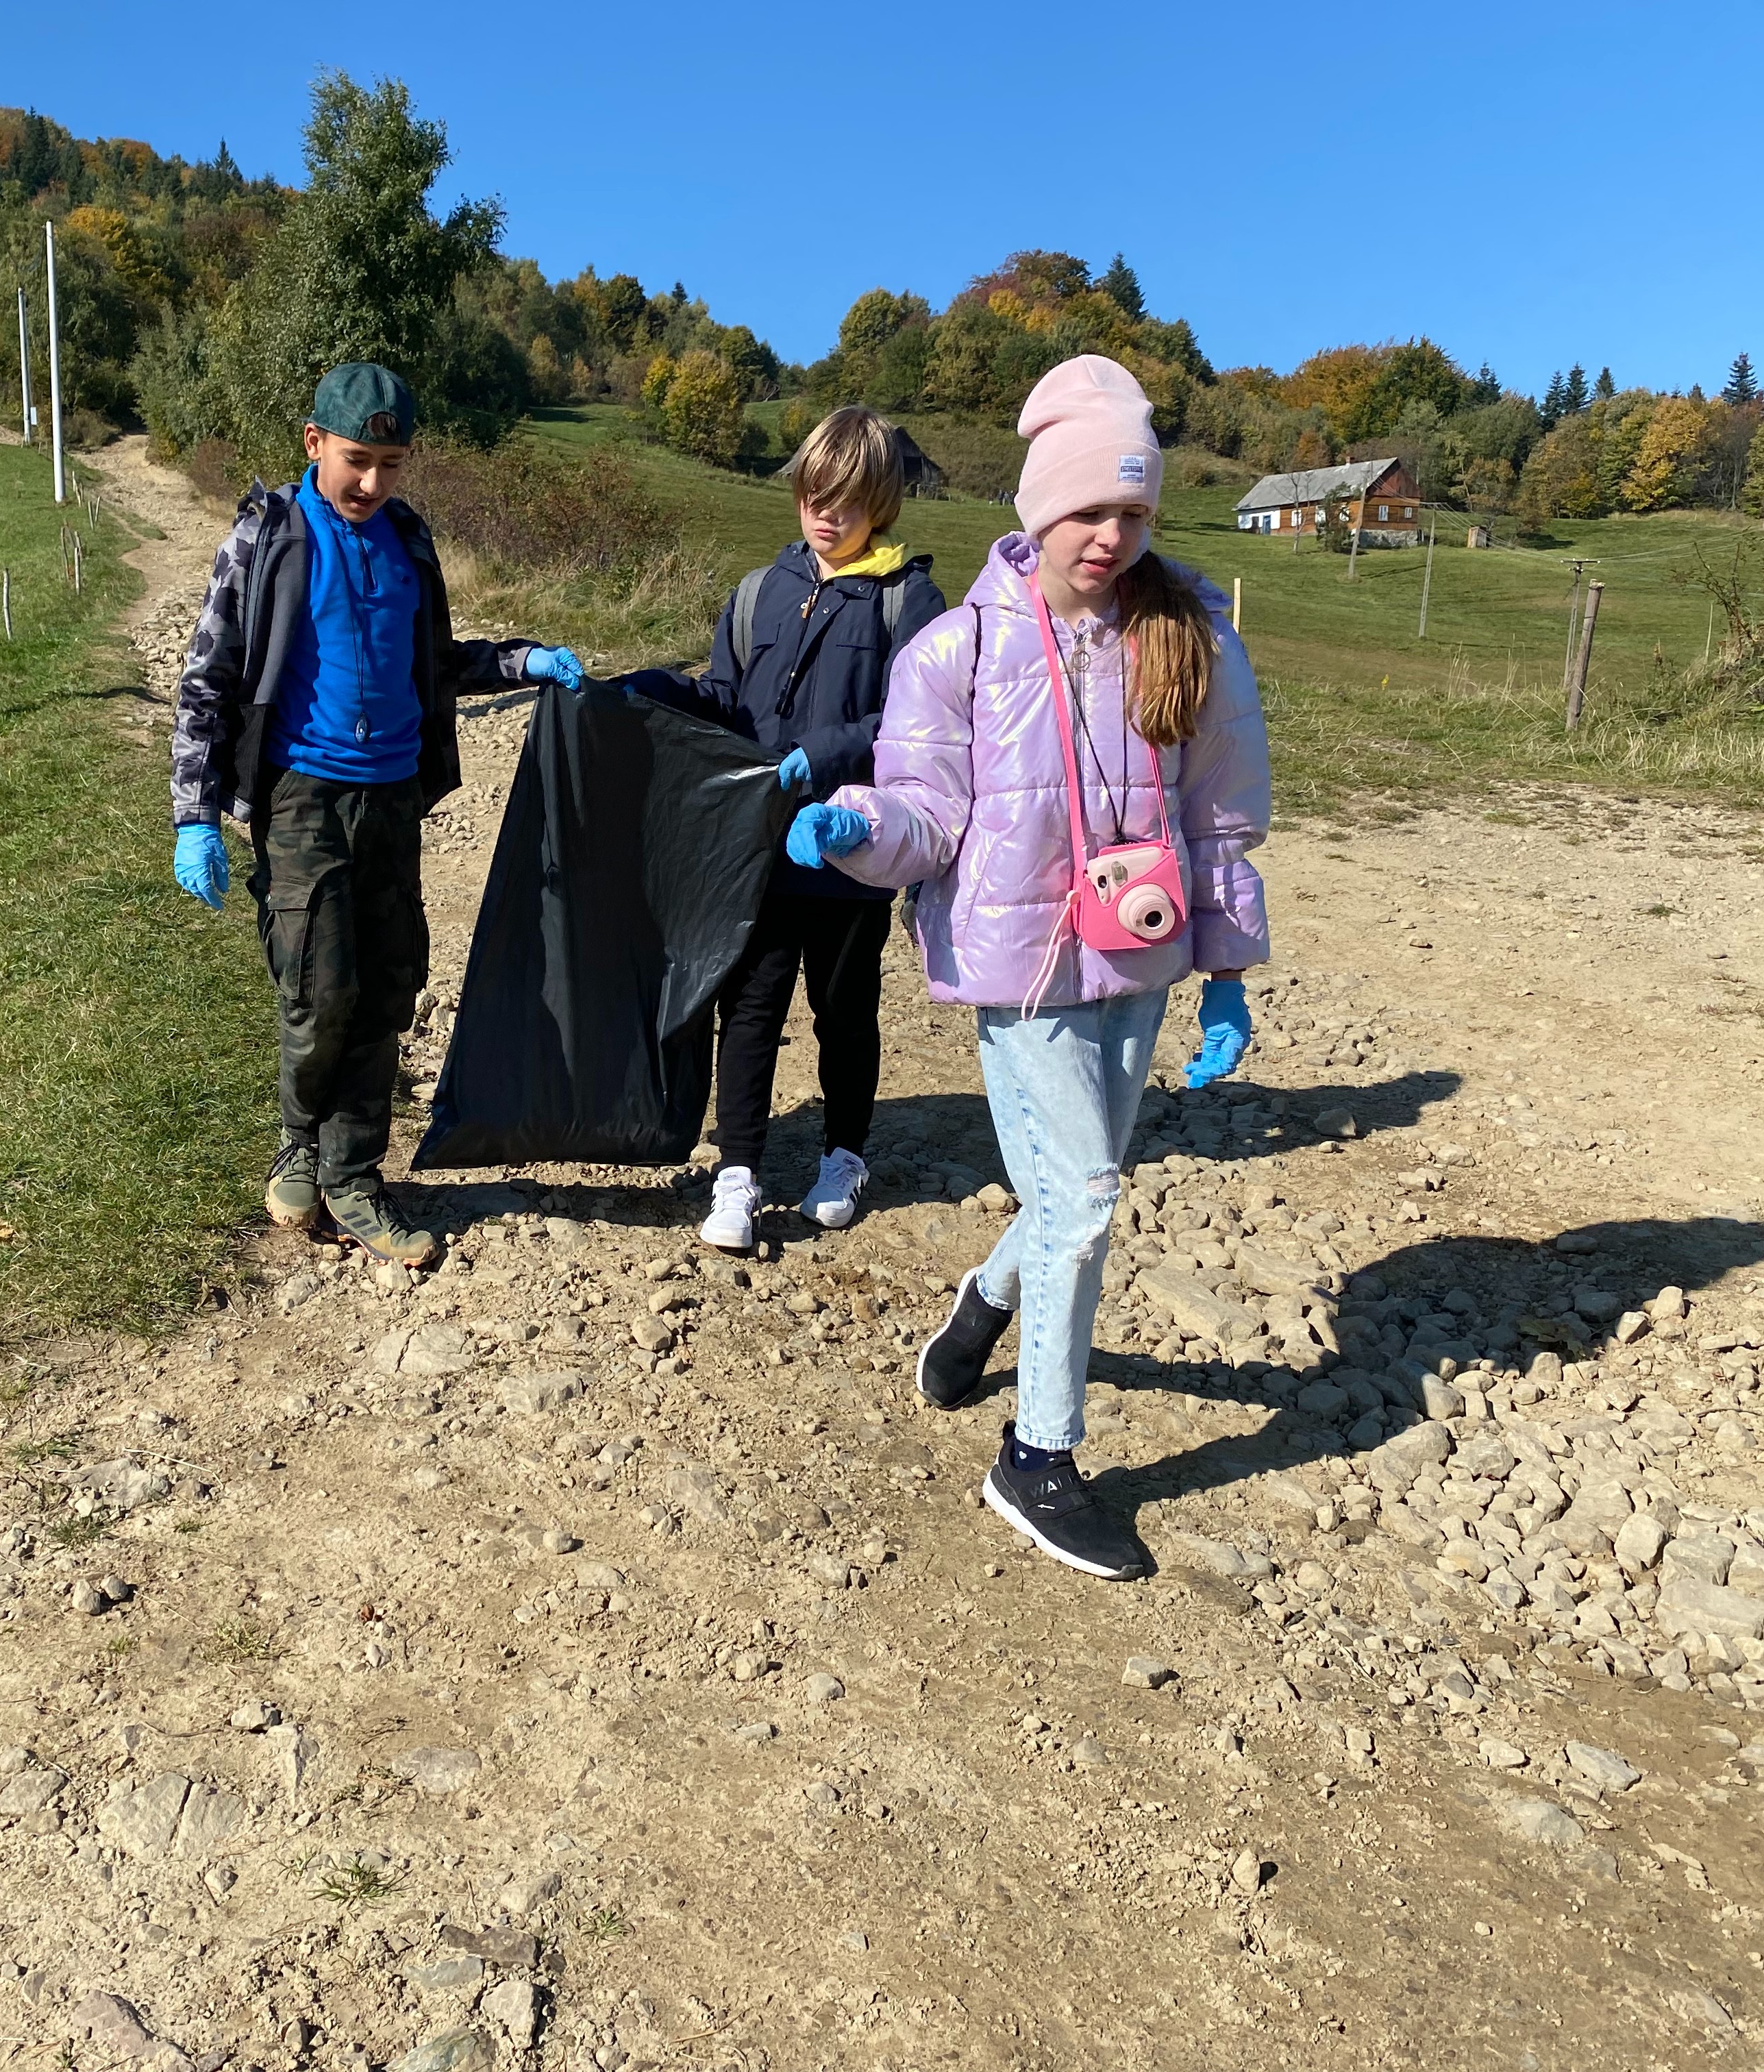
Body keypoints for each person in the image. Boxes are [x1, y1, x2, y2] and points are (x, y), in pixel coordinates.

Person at [789, 355, 1271, 1580]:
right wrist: (858, 827)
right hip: (1018, 965)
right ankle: (1037, 1457)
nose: (1110, 536)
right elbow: (923, 810)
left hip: (1141, 954)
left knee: (1072, 1188)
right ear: (1040, 506)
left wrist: (1224, 967)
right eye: (1088, 510)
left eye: (1132, 512)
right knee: (1088, 1198)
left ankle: (984, 1306)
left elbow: (1219, 816)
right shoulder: (955, 653)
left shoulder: (1189, 639)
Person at [169, 362, 583, 1269]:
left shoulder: (408, 541)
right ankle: (300, 1145)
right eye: (357, 460)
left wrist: (523, 662)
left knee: (387, 990)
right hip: (303, 796)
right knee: (318, 990)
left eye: (392, 464)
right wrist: (194, 812)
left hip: (394, 798)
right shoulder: (269, 535)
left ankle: (355, 1177)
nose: (372, 481)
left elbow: (437, 661)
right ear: (314, 442)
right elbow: (208, 678)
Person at [638, 406, 945, 1253]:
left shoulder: (909, 600)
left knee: (844, 1011)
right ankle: (738, 1172)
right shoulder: (759, 591)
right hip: (760, 846)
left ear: (881, 503)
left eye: (848, 501)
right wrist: (657, 690)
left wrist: (828, 755)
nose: (827, 515)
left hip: (853, 848)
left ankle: (844, 1157)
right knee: (749, 1009)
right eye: (815, 496)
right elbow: (726, 697)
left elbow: (915, 723)